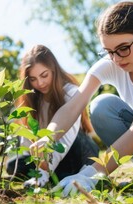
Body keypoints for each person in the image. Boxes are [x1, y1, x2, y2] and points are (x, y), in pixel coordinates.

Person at [31, 1, 133, 197]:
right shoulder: (113, 63)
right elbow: (74, 105)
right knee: (102, 107)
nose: (117, 59)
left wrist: (91, 174)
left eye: (123, 48)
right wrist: (49, 137)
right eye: (109, 52)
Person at [6, 45, 99, 187]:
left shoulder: (71, 92)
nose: (40, 83)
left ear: (53, 70)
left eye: (44, 75)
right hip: (46, 158)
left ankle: (57, 175)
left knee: (78, 146)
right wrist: (37, 161)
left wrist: (43, 171)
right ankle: (56, 175)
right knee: (13, 165)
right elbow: (29, 142)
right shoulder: (32, 100)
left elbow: (66, 139)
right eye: (33, 79)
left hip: (73, 150)